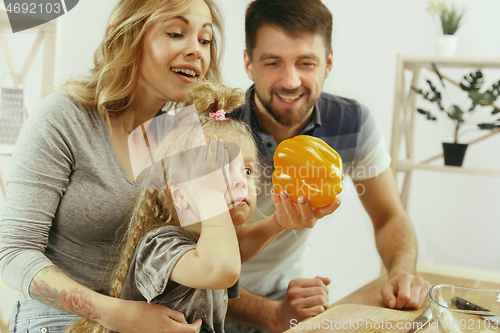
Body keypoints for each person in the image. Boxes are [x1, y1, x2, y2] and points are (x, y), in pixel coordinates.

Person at [0, 0, 226, 332]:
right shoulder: (66, 117)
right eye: (176, 33)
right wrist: (120, 316)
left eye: (205, 40)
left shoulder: (179, 136)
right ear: (131, 36)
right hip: (58, 320)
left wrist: (278, 221)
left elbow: (213, 260)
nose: (196, 50)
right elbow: (13, 254)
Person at [224, 1, 432, 332]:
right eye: (273, 62)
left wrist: (400, 272)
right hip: (208, 303)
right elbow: (190, 256)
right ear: (249, 64)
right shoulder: (214, 127)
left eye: (306, 62)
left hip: (290, 298)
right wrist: (271, 315)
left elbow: (389, 216)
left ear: (328, 62)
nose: (290, 81)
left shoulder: (352, 123)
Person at [65, 80, 290, 333]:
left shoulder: (207, 245)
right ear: (179, 193)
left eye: (247, 170)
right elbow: (222, 267)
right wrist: (209, 190)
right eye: (218, 167)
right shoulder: (160, 245)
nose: (240, 180)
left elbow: (234, 250)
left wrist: (278, 222)